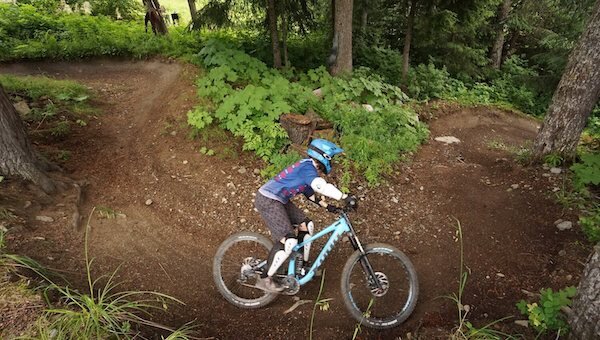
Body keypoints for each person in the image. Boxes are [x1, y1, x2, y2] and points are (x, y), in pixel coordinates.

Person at [254, 139, 353, 292]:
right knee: (290, 240)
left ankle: (302, 267)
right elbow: (320, 186)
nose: (332, 161)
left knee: (307, 225)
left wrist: (329, 206)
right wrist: (343, 197)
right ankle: (265, 279)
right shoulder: (307, 167)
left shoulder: (307, 169)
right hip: (268, 199)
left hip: (280, 200)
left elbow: (310, 193)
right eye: (331, 158)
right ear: (324, 156)